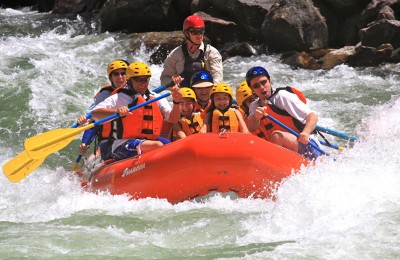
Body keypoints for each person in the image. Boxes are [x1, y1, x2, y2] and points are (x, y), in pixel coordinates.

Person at [92, 61, 182, 161]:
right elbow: (95, 114)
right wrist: (116, 112)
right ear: (129, 81)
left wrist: (176, 102)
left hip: (148, 141)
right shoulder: (119, 97)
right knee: (157, 145)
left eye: (146, 79)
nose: (143, 83)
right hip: (121, 144)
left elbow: (173, 119)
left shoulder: (155, 97)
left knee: (173, 147)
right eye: (138, 80)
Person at [246, 66, 322, 160]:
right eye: (256, 86)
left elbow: (312, 116)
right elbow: (251, 128)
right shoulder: (255, 106)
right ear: (252, 89)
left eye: (263, 82)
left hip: (308, 144)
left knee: (277, 136)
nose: (261, 87)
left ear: (269, 80)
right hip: (287, 147)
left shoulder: (282, 96)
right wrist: (256, 117)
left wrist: (306, 132)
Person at [77, 60, 129, 158]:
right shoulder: (104, 95)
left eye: (123, 73)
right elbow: (94, 122)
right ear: (111, 78)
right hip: (110, 140)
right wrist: (85, 143)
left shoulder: (135, 90)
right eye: (116, 74)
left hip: (131, 136)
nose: (120, 77)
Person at [160, 14, 223, 88]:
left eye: (201, 31)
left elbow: (218, 79)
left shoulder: (212, 53)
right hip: (184, 96)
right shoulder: (175, 54)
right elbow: (164, 78)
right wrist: (174, 86)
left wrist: (208, 93)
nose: (199, 35)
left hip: (205, 95)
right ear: (186, 34)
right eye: (194, 32)